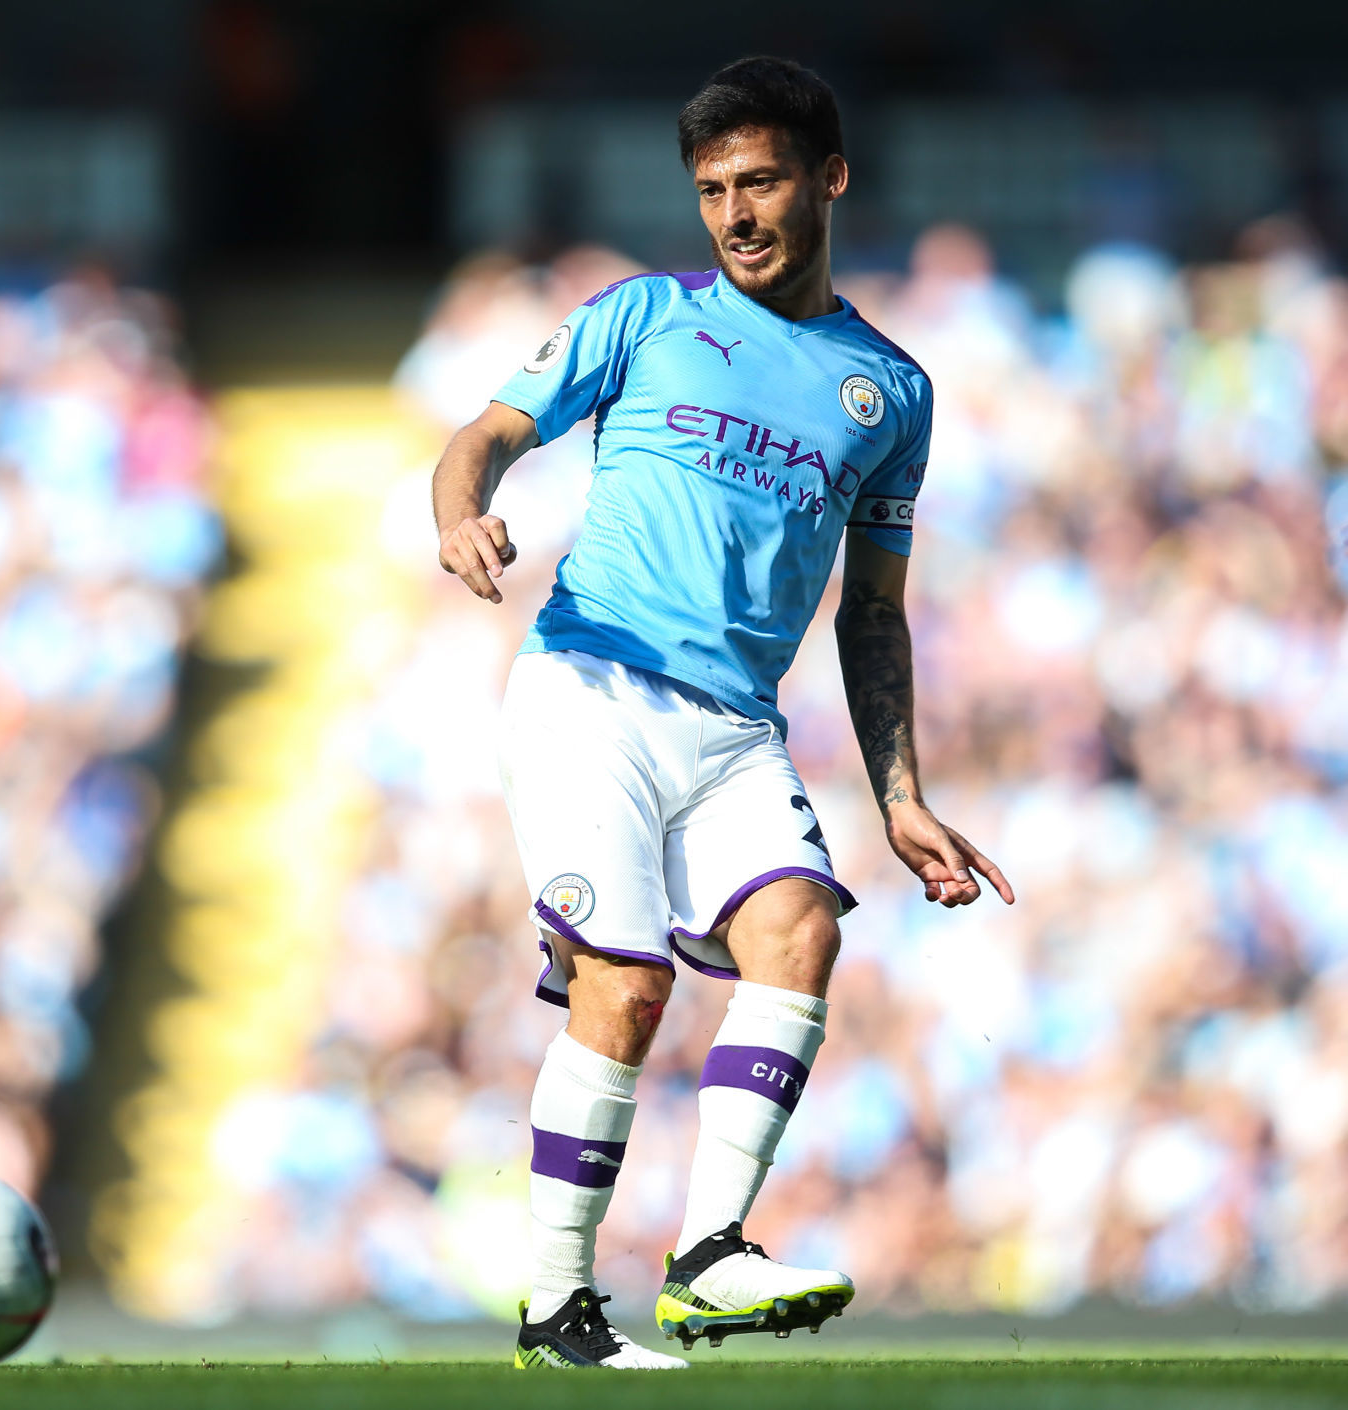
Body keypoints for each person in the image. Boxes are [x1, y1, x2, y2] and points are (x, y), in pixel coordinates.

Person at [429, 55, 1016, 1370]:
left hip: (736, 723)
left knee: (803, 927)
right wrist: (460, 513)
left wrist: (903, 794)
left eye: (761, 181)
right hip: (594, 683)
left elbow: (874, 611)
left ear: (831, 178)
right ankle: (556, 1309)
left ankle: (706, 1258)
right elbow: (487, 432)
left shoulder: (890, 392)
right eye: (713, 189)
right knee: (627, 991)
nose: (737, 212)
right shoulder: (642, 314)